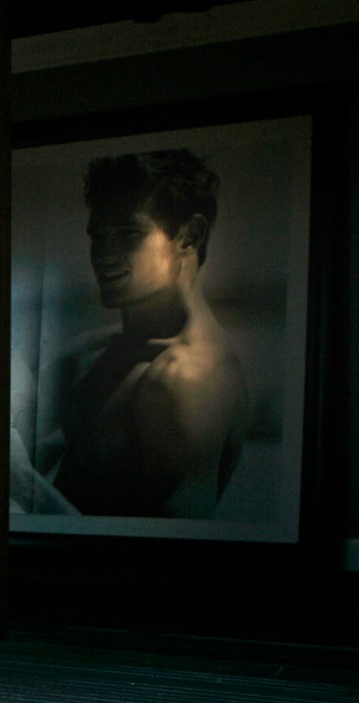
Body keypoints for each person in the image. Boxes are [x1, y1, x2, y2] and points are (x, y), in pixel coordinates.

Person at [51, 149, 247, 518]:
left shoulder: (185, 380)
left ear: (190, 236)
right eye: (98, 236)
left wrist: (19, 483)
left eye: (128, 234)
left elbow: (172, 552)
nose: (104, 254)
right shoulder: (104, 350)